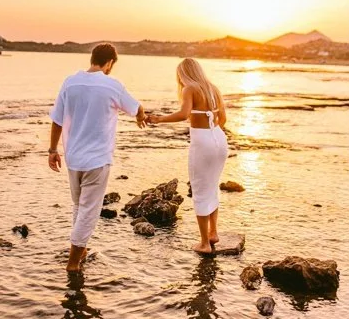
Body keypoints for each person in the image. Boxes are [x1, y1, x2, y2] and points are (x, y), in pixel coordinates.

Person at [48, 42, 147, 272]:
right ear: (110, 62)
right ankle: (73, 263)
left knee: (78, 207)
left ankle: (80, 251)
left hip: (73, 158)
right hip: (97, 160)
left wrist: (53, 150)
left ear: (92, 58)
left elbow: (57, 119)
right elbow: (136, 107)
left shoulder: (70, 82)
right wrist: (140, 116)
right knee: (89, 211)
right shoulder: (112, 85)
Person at [147, 58, 229, 254]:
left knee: (200, 189)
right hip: (220, 140)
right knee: (212, 187)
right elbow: (223, 118)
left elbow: (184, 114)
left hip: (203, 143)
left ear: (183, 74)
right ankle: (213, 233)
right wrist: (212, 132)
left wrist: (158, 119)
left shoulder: (189, 88)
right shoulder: (213, 88)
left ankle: (204, 243)